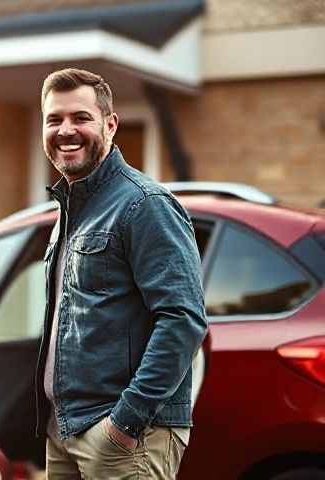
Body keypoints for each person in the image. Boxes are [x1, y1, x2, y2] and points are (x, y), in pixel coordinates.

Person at [36, 68, 207, 479]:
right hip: (66, 428)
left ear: (110, 125)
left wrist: (125, 423)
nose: (65, 130)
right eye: (54, 119)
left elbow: (183, 320)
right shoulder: (72, 206)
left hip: (122, 436)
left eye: (81, 118)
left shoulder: (143, 204)